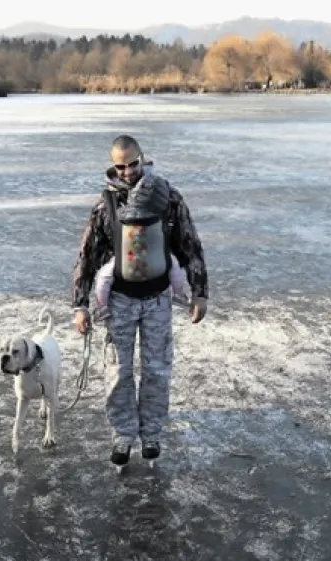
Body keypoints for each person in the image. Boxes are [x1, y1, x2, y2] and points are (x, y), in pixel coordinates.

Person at [71, 135, 208, 467]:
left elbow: (189, 244)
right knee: (118, 372)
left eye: (133, 163)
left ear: (143, 159)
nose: (129, 171)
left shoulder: (169, 198)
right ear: (113, 167)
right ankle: (122, 435)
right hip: (119, 300)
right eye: (121, 166)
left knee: (157, 370)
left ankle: (152, 435)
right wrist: (80, 303)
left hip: (159, 298)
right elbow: (87, 254)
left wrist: (199, 292)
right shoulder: (106, 204)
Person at [92, 252, 189, 322]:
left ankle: (102, 307)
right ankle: (179, 295)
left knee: (105, 275)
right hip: (152, 253)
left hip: (126, 254)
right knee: (172, 263)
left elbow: (103, 280)